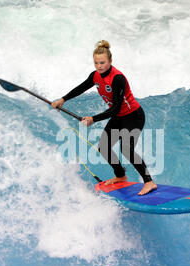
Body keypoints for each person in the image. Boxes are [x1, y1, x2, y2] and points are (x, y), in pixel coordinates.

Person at [51, 40, 157, 196]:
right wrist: (63, 99)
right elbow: (81, 88)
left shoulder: (117, 78)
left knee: (126, 149)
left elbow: (115, 108)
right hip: (119, 117)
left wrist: (93, 119)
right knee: (104, 146)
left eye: (102, 62)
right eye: (96, 63)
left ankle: (149, 181)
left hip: (133, 116)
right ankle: (120, 175)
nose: (99, 66)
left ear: (110, 61)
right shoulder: (95, 76)